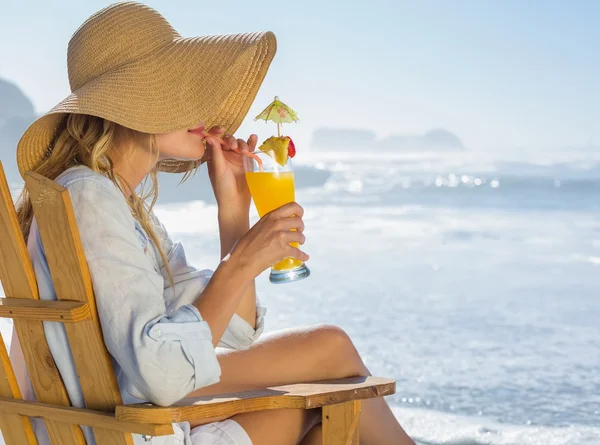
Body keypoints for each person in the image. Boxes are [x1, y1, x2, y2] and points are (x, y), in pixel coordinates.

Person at [9, 2, 415, 445]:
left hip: (132, 422)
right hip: (131, 429)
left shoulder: (112, 203)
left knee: (333, 423)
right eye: (181, 90)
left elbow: (229, 334)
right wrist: (241, 262)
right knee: (331, 350)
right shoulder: (92, 197)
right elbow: (162, 374)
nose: (203, 107)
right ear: (134, 102)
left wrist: (234, 211)